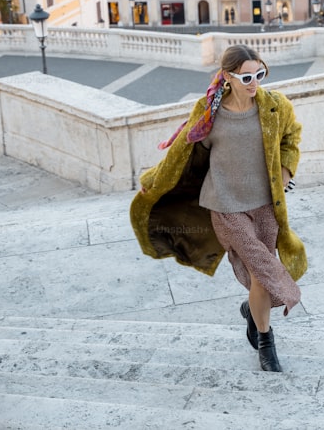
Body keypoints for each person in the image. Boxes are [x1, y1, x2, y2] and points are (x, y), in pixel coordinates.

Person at [130, 45, 305, 373]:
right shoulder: (209, 111)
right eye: (247, 77)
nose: (254, 83)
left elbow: (291, 138)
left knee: (261, 278)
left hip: (266, 205)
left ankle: (252, 312)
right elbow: (180, 151)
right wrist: (154, 180)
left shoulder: (274, 107)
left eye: (260, 74)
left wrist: (285, 170)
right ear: (227, 77)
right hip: (225, 206)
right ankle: (266, 342)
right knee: (262, 273)